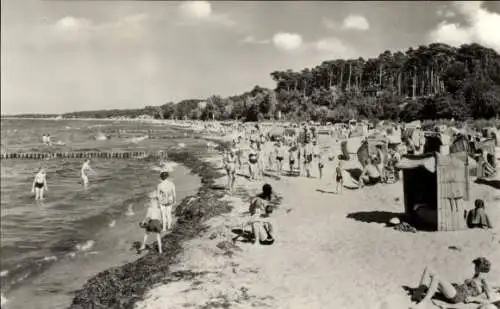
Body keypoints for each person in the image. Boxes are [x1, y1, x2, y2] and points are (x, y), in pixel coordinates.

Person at [410, 257, 494, 309]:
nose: (474, 268)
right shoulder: (475, 276)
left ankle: (424, 303)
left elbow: (490, 300)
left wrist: (474, 299)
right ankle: (417, 295)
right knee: (428, 268)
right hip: (454, 290)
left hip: (457, 296)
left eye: (476, 266)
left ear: (480, 267)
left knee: (436, 277)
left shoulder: (484, 282)